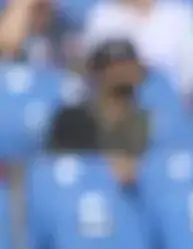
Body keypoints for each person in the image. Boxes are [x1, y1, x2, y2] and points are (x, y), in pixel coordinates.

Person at [46, 38, 150, 186]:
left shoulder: (147, 121)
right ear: (96, 71)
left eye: (128, 64)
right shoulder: (72, 119)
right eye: (112, 65)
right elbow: (58, 168)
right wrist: (106, 165)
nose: (122, 71)